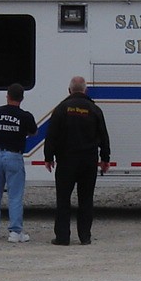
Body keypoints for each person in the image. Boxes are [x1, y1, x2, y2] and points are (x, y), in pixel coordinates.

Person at [44, 75, 111, 245]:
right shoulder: (95, 110)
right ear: (85, 90)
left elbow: (51, 135)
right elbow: (104, 136)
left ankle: (63, 237)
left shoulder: (61, 109)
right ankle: (85, 236)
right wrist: (105, 158)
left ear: (69, 90)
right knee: (86, 200)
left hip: (66, 161)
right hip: (88, 162)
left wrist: (48, 157)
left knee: (63, 199)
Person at [0, 83, 38, 243]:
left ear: (7, 96)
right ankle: (15, 232)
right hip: (14, 156)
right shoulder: (25, 116)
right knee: (15, 196)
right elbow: (33, 132)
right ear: (22, 98)